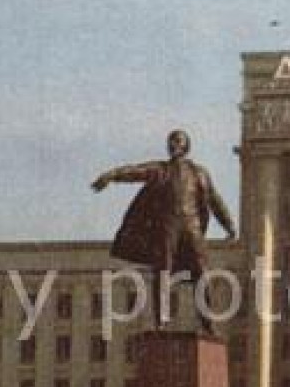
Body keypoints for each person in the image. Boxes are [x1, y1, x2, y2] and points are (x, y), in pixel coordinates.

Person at [91, 129, 238, 333]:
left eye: (178, 141)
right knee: (162, 273)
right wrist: (111, 175)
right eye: (171, 141)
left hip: (192, 230)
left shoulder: (200, 173)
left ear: (186, 146)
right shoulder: (160, 169)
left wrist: (229, 224)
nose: (173, 144)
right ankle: (161, 321)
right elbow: (135, 171)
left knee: (201, 274)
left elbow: (214, 200)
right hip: (166, 229)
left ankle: (208, 323)